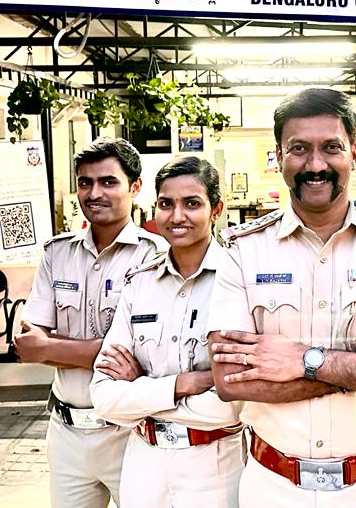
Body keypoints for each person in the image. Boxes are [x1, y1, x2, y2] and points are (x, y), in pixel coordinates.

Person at [207, 87, 356, 507]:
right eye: (299, 149)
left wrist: (303, 362)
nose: (315, 165)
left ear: (353, 152)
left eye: (331, 148)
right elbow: (230, 381)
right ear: (279, 155)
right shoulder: (242, 249)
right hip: (273, 486)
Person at [15, 136, 165, 508]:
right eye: (85, 182)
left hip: (133, 433)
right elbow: (29, 345)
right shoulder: (57, 253)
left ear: (135, 187)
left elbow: (148, 357)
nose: (94, 192)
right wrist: (100, 352)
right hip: (66, 434)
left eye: (108, 182)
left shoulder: (157, 258)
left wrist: (52, 349)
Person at [89, 155, 245, 508]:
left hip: (215, 466)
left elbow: (234, 404)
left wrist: (141, 388)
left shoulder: (240, 283)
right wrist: (184, 383)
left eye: (192, 204)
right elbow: (104, 398)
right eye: (166, 204)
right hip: (144, 464)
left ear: (216, 209)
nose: (177, 217)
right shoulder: (139, 283)